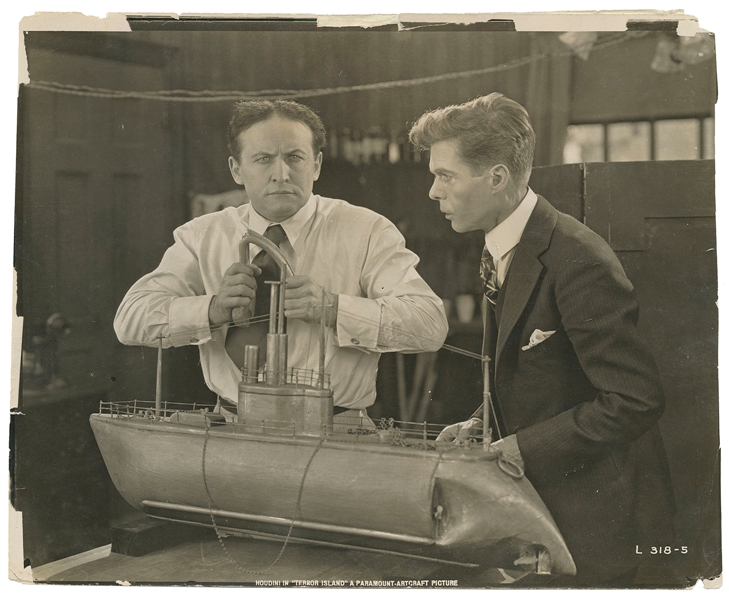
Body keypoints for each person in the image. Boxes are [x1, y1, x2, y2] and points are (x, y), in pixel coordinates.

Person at [409, 93, 675, 586]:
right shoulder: (502, 243)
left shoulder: (579, 260)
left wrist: (517, 449)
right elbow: (537, 376)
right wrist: (480, 421)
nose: (432, 192)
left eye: (445, 176)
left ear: (495, 177)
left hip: (600, 529)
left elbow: (635, 400)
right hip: (549, 515)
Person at [115, 99, 448, 426]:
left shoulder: (366, 230)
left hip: (335, 434)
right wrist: (212, 310)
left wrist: (334, 308)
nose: (281, 174)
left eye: (294, 157)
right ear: (236, 169)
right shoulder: (203, 235)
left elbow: (430, 326)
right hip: (232, 431)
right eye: (263, 159)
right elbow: (130, 320)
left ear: (315, 165)